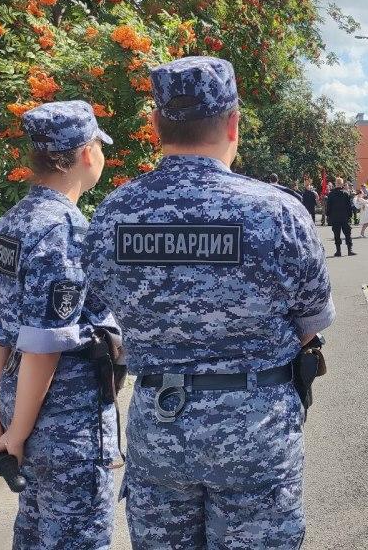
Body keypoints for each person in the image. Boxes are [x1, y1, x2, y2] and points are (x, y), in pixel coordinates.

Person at [83, 56, 335, 548]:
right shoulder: (277, 211)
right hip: (256, 430)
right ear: (233, 123)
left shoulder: (114, 213)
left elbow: (102, 311)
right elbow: (310, 322)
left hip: (160, 426)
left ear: (156, 125)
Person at [0, 101, 120, 549]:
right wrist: (15, 433)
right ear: (86, 154)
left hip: (23, 407)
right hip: (67, 421)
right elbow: (45, 342)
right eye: (98, 145)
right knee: (76, 537)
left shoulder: (11, 222)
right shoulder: (64, 230)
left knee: (36, 533)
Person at [327, 177, 356, 256]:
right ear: (342, 184)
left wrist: (328, 217)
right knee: (347, 233)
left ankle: (338, 251)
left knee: (336, 234)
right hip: (344, 217)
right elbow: (349, 206)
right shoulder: (345, 193)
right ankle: (350, 250)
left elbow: (328, 206)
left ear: (335, 184)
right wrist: (350, 216)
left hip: (335, 217)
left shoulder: (331, 194)